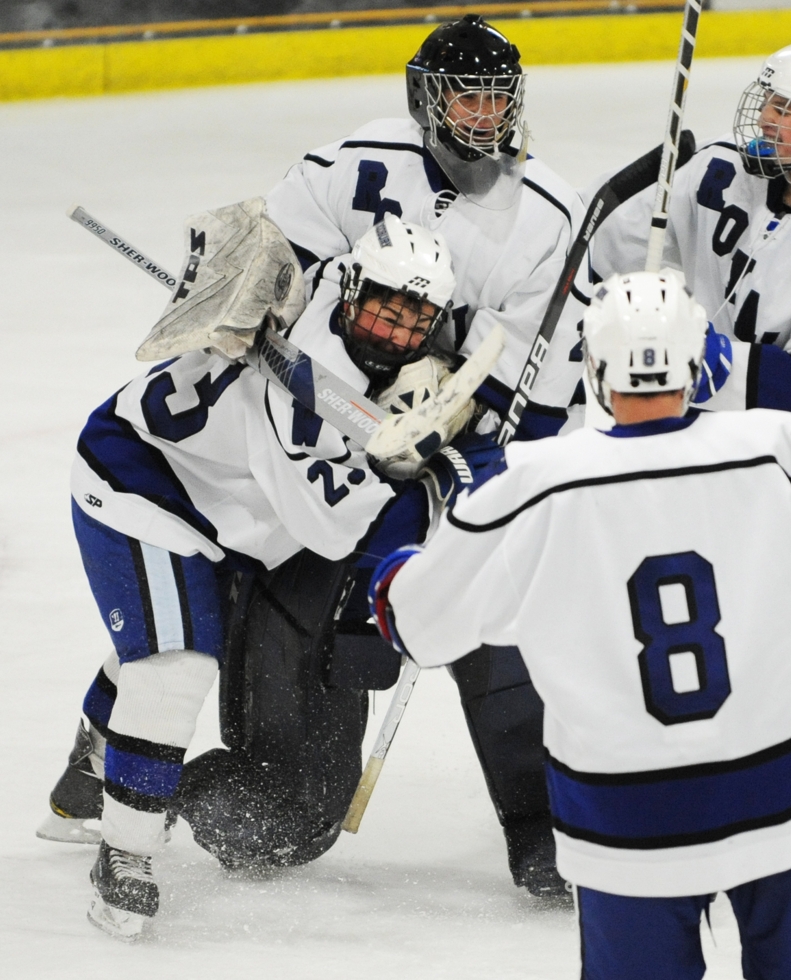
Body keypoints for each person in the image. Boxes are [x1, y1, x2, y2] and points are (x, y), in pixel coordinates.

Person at [367, 270, 791, 979]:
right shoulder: (784, 446)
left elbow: (417, 626)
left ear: (595, 367)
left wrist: (398, 565)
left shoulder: (529, 483)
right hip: (790, 798)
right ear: (698, 364)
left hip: (627, 824)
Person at [38, 214, 498, 942]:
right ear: (350, 290)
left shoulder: (319, 309)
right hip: (140, 485)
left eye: (416, 313)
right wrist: (417, 473)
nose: (395, 322)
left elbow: (248, 235)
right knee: (177, 663)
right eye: (384, 299)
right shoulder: (299, 402)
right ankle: (126, 853)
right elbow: (333, 530)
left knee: (177, 633)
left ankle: (87, 773)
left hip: (222, 502)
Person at [264, 13, 590, 897]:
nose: (484, 115)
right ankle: (142, 749)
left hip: (458, 445)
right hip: (322, 437)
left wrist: (457, 437)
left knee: (497, 624)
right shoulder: (346, 165)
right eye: (465, 94)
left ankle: (539, 830)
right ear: (423, 96)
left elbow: (539, 386)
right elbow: (270, 278)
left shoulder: (548, 215)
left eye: (497, 96)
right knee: (248, 579)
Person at [589, 38, 791, 460]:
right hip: (699, 430)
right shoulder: (722, 168)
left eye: (785, 109)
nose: (765, 118)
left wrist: (683, 345)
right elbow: (597, 244)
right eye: (768, 100)